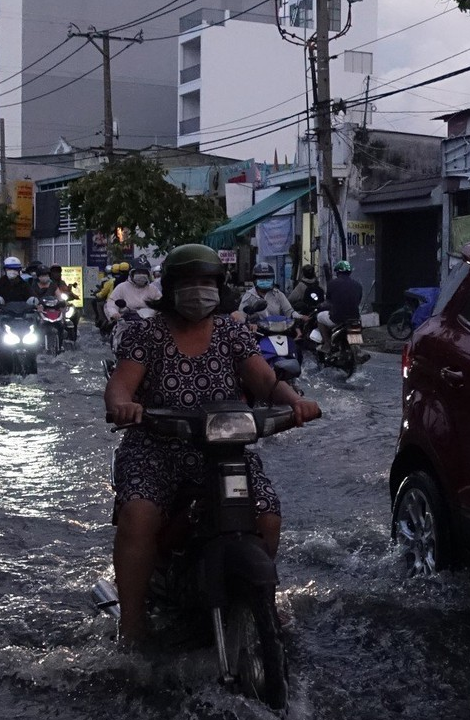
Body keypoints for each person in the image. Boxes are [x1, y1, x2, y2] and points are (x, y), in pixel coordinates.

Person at [103, 244, 320, 647]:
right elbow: (121, 383)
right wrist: (122, 406)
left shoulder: (232, 331)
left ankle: (258, 594)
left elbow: (265, 382)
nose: (199, 291)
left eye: (207, 282)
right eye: (189, 283)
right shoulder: (145, 333)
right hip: (156, 448)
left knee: (267, 516)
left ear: (219, 287)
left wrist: (295, 403)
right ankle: (130, 626)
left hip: (225, 451)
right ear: (170, 288)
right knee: (138, 515)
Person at [240, 262, 296, 327]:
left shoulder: (278, 295)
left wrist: (299, 317)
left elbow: (289, 312)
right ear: (254, 280)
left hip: (278, 330)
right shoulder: (248, 296)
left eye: (268, 278)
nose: (265, 281)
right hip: (258, 333)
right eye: (261, 278)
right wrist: (249, 322)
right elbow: (241, 316)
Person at [108, 261, 159, 326]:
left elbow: (161, 303)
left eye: (144, 272)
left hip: (150, 323)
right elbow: (112, 302)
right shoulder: (122, 287)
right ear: (132, 273)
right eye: (138, 272)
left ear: (149, 274)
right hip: (126, 323)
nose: (141, 275)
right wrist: (114, 313)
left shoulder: (153, 289)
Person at [325, 259, 364, 326]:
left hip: (337, 318)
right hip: (355, 318)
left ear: (337, 272)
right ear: (350, 272)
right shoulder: (358, 285)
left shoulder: (332, 283)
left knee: (319, 317)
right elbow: (358, 301)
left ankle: (326, 337)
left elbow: (329, 300)